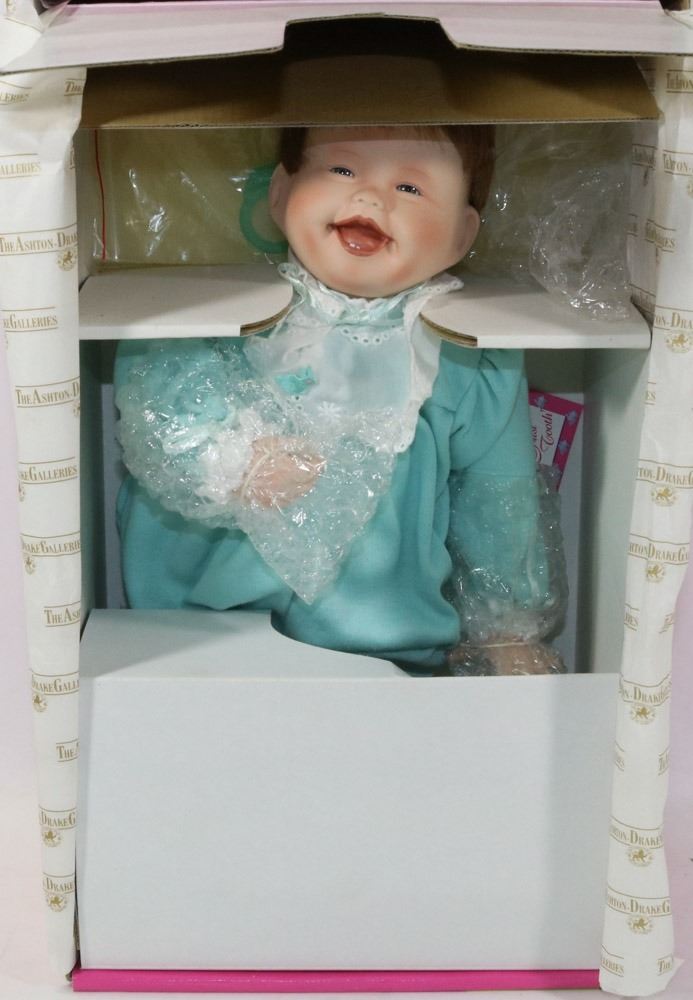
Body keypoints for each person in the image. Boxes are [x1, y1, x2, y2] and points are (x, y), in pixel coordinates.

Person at [115, 125, 564, 675]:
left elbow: (498, 501)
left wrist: (506, 629)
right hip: (197, 636)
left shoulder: (468, 357)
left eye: (411, 188)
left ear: (461, 234)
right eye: (342, 170)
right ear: (280, 193)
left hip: (381, 649)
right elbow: (158, 400)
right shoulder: (227, 317)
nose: (370, 197)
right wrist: (232, 457)